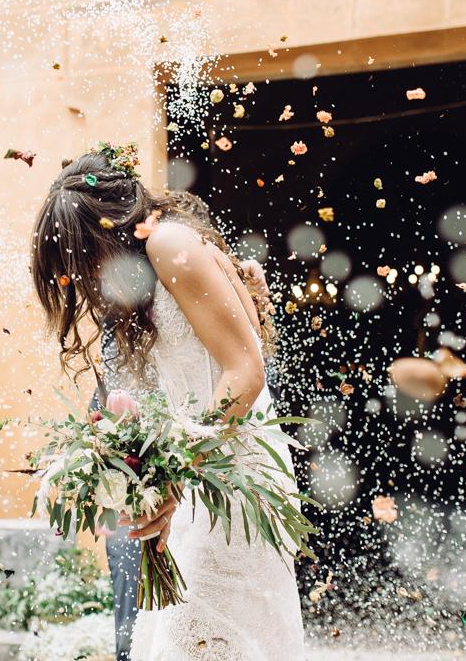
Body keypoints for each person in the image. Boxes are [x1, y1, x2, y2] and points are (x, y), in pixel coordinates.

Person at [31, 146, 305, 660]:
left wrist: (176, 474)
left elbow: (245, 371)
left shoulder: (169, 242)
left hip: (231, 476)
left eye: (83, 256)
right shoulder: (147, 267)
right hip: (206, 469)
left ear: (107, 231)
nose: (83, 274)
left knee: (207, 638)